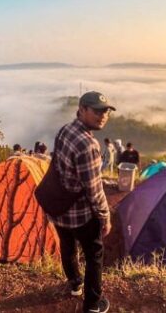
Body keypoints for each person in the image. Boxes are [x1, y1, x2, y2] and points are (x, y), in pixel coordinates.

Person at [48, 91, 114, 313]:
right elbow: (95, 191)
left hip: (59, 208)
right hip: (81, 215)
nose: (102, 116)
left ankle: (75, 283)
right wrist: (105, 217)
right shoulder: (88, 145)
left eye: (105, 111)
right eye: (97, 111)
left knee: (68, 247)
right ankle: (93, 305)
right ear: (82, 109)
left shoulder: (64, 130)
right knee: (94, 256)